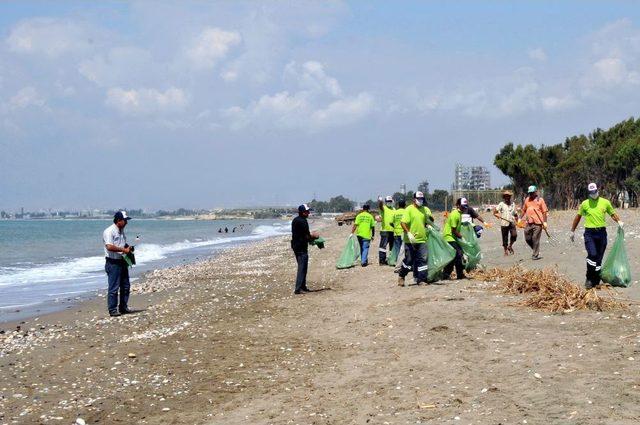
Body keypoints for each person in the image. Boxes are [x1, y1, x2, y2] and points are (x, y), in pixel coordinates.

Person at [570, 183, 622, 288]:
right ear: (589, 193)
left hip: (602, 233)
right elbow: (578, 217)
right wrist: (572, 231)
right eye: (591, 192)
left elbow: (612, 213)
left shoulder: (605, 202)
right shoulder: (585, 204)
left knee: (599, 258)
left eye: (594, 192)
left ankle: (596, 278)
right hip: (589, 233)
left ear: (597, 190)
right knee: (592, 255)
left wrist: (619, 221)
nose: (593, 194)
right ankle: (589, 278)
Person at [398, 191, 433, 286]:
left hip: (422, 240)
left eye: (422, 199)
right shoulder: (409, 209)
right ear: (414, 199)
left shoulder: (423, 210)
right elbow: (403, 223)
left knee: (423, 260)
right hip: (410, 240)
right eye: (418, 199)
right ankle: (402, 275)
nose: (420, 201)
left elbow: (426, 221)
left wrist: (430, 225)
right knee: (409, 260)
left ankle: (421, 279)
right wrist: (408, 232)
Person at [103, 211, 133, 317]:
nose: (126, 223)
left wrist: (127, 248)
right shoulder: (109, 231)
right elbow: (109, 246)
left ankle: (123, 307)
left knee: (125, 286)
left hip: (122, 261)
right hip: (113, 262)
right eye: (125, 221)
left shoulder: (121, 231)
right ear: (119, 220)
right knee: (114, 288)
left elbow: (121, 244)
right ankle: (112, 309)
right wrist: (123, 250)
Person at [291, 204, 320, 294]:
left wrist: (310, 237)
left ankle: (303, 287)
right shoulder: (303, 221)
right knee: (302, 267)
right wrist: (315, 237)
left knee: (303, 266)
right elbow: (306, 236)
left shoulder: (295, 220)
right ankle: (298, 288)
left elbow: (302, 234)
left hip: (296, 245)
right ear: (302, 212)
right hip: (301, 247)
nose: (308, 213)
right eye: (306, 211)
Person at [520, 185, 548, 260]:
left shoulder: (540, 200)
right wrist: (520, 218)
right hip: (529, 222)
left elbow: (544, 211)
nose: (531, 194)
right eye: (530, 193)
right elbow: (524, 210)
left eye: (532, 193)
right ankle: (535, 249)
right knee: (527, 238)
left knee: (535, 238)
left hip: (538, 223)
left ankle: (535, 255)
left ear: (535, 192)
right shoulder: (527, 200)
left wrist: (545, 222)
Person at [442, 198, 467, 280]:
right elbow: (453, 230)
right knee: (458, 253)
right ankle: (459, 274)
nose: (464, 208)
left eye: (465, 207)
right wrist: (461, 237)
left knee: (453, 256)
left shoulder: (459, 213)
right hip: (449, 236)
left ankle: (446, 274)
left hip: (453, 237)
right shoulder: (455, 214)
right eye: (463, 207)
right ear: (458, 205)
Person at [493, 190, 518, 255]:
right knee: (505, 237)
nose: (507, 198)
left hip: (512, 222)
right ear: (504, 197)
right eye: (505, 197)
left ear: (510, 197)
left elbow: (515, 214)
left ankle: (510, 246)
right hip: (504, 223)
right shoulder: (501, 204)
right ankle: (505, 250)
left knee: (514, 235)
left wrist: (517, 221)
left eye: (508, 196)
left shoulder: (513, 204)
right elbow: (495, 212)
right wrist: (497, 215)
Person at [377, 195, 396, 265]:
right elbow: (380, 206)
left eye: (390, 201)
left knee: (392, 246)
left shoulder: (394, 209)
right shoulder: (383, 208)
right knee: (383, 247)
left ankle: (391, 259)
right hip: (385, 231)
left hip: (393, 231)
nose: (389, 202)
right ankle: (382, 260)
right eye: (388, 201)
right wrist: (380, 201)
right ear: (385, 202)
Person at [392, 199, 407, 266]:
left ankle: (399, 263)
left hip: (396, 233)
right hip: (404, 232)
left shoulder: (395, 212)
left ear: (398, 205)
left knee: (398, 248)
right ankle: (404, 262)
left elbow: (391, 222)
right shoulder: (406, 211)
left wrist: (395, 226)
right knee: (404, 249)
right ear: (405, 205)